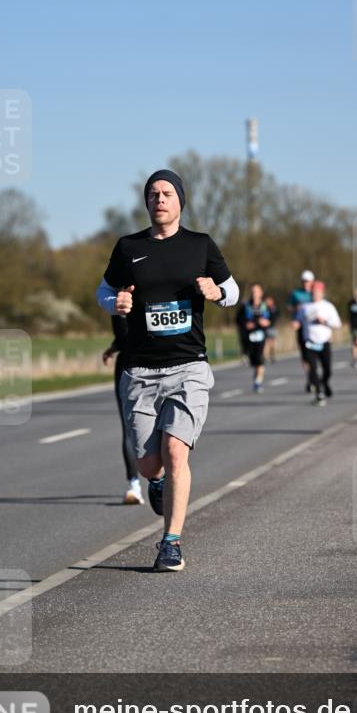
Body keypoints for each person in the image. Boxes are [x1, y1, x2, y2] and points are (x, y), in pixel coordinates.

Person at [96, 169, 239, 571]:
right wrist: (114, 304)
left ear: (180, 201)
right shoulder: (129, 247)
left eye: (167, 193)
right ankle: (155, 484)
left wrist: (218, 292)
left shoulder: (200, 245)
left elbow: (233, 289)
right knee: (148, 464)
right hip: (140, 370)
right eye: (154, 194)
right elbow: (103, 290)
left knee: (177, 452)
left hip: (188, 366)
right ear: (146, 203)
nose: (160, 199)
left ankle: (170, 542)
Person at [102, 315, 144, 504]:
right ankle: (141, 484)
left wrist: (114, 347)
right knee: (133, 429)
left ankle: (136, 485)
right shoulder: (146, 292)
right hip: (145, 365)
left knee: (130, 429)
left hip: (133, 366)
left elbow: (124, 336)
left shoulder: (116, 297)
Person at [296, 279, 342, 405]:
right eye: (313, 292)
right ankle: (319, 394)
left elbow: (338, 324)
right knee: (312, 369)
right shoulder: (305, 307)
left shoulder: (328, 306)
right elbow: (298, 321)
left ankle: (324, 383)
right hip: (309, 343)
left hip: (324, 342)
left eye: (317, 291)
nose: (315, 294)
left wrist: (325, 321)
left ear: (322, 293)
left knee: (327, 370)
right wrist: (295, 323)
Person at [236, 284, 272, 392]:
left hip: (262, 336)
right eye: (253, 292)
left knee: (260, 360)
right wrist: (246, 324)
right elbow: (238, 320)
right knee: (254, 362)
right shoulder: (245, 306)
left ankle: (258, 382)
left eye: (256, 291)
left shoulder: (266, 306)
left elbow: (274, 317)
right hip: (249, 338)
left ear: (261, 293)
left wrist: (267, 322)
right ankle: (256, 378)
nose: (254, 294)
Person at [289, 270, 315, 391]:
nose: (306, 284)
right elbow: (289, 307)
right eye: (304, 281)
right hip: (301, 328)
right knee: (305, 355)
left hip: (314, 329)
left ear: (312, 282)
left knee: (314, 355)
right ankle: (309, 377)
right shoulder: (296, 294)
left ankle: (313, 375)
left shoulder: (316, 293)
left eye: (308, 281)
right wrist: (295, 308)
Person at [264, 296, 279, 363]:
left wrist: (269, 322)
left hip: (271, 327)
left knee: (271, 343)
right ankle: (266, 356)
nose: (267, 302)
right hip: (266, 328)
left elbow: (275, 317)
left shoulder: (273, 309)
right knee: (266, 343)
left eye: (268, 301)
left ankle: (272, 355)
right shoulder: (265, 308)